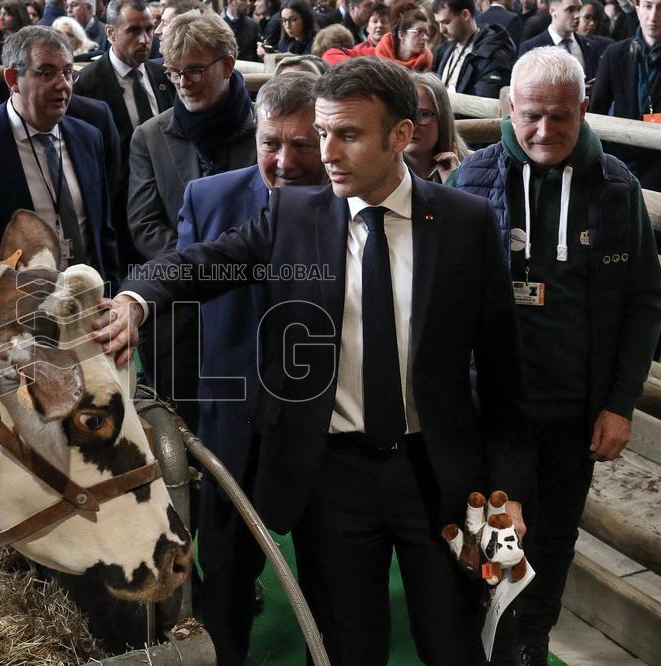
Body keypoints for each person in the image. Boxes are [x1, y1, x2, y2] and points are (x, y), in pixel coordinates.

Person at [97, 55, 531, 666]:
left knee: (452, 646)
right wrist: (138, 299)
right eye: (322, 133)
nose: (325, 153)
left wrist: (506, 490)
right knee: (343, 649)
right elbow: (201, 262)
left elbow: (503, 377)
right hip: (332, 482)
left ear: (401, 135)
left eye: (347, 135)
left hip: (437, 477)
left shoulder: (464, 223)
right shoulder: (294, 216)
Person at [448, 46, 661, 666]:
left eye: (561, 117)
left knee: (558, 535)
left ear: (584, 109)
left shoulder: (619, 189)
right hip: (489, 405)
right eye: (531, 115)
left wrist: (619, 404)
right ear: (511, 107)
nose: (544, 132)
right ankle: (484, 637)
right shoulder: (474, 178)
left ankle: (529, 643)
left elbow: (644, 302)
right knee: (492, 535)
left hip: (574, 408)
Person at [182, 71, 327, 666]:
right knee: (225, 588)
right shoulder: (208, 198)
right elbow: (184, 318)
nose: (285, 160)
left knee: (334, 585)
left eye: (302, 144)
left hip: (327, 435)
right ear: (255, 138)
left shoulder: (355, 205)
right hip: (229, 428)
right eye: (272, 143)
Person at [127, 10, 256, 428]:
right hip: (177, 311)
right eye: (174, 72)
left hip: (253, 305)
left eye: (195, 70)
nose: (183, 83)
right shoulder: (149, 136)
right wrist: (198, 270)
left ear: (228, 64)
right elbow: (144, 223)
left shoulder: (266, 134)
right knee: (182, 424)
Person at [0, 26, 121, 283]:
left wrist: (111, 292)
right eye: (47, 73)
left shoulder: (89, 137)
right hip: (11, 311)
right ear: (13, 79)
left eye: (68, 73)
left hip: (90, 304)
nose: (63, 84)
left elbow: (103, 232)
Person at [72, 0, 174, 266]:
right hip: (117, 210)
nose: (145, 39)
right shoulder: (87, 84)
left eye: (150, 29)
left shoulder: (164, 75)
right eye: (133, 30)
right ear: (110, 33)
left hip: (167, 203)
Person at [588, 0, 661, 190]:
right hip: (619, 164)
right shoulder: (615, 53)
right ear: (637, 9)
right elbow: (596, 112)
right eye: (648, 6)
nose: (653, 16)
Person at [433, 0, 516, 97]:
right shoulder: (445, 49)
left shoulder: (494, 53)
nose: (441, 29)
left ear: (465, 15)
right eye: (439, 23)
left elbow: (485, 105)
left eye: (446, 22)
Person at [519, 0, 606, 82]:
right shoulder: (531, 48)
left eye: (579, 9)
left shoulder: (591, 46)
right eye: (570, 10)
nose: (577, 15)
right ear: (553, 11)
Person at [404, 72, 468, 181]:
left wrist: (454, 184)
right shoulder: (378, 173)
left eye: (423, 114)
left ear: (442, 119)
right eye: (405, 114)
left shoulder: (471, 171)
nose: (412, 125)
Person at [375, 1, 433, 69]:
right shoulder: (378, 59)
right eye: (419, 31)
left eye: (426, 33)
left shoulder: (427, 62)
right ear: (401, 35)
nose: (425, 37)